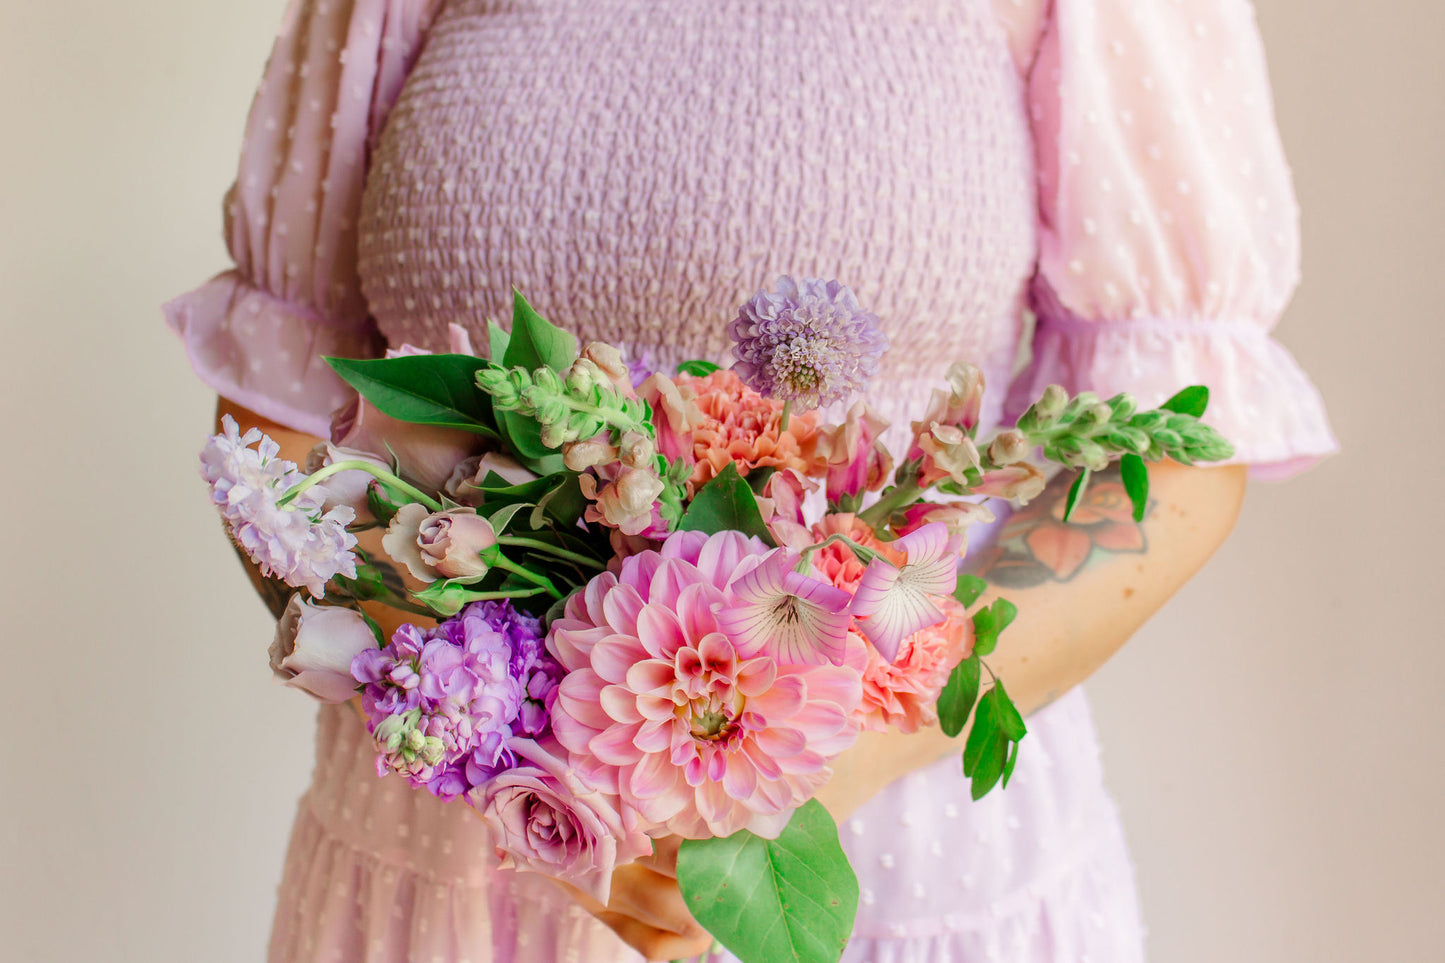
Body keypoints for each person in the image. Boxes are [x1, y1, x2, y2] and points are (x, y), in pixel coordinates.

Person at [165, 0, 1338, 960]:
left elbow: (1169, 447)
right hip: (454, 875)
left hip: (900, 860)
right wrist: (498, 738)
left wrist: (852, 753)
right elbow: (276, 406)